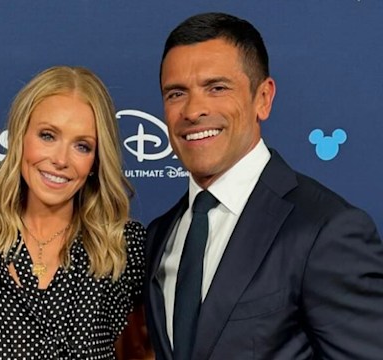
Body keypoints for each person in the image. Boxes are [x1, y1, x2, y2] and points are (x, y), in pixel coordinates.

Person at [144, 12, 383, 360]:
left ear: (263, 98)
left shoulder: (325, 230)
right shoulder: (160, 235)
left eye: (217, 88)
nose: (193, 111)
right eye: (176, 93)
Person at [0, 66, 146, 359]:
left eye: (82, 146)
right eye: (47, 135)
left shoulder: (123, 246)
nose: (60, 160)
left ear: (95, 161)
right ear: (20, 138)